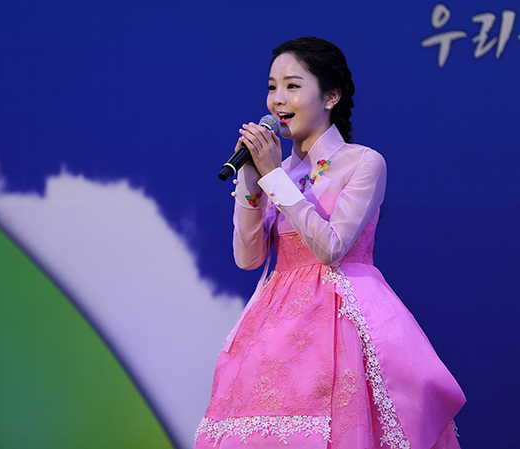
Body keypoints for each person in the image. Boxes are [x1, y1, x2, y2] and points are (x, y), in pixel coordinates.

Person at [194, 37, 465, 449]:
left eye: (293, 85)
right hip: (276, 325)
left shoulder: (363, 162)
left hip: (344, 321)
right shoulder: (276, 171)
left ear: (331, 96)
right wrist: (251, 179)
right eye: (271, 87)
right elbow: (248, 258)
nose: (277, 100)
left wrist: (273, 179)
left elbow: (331, 247)